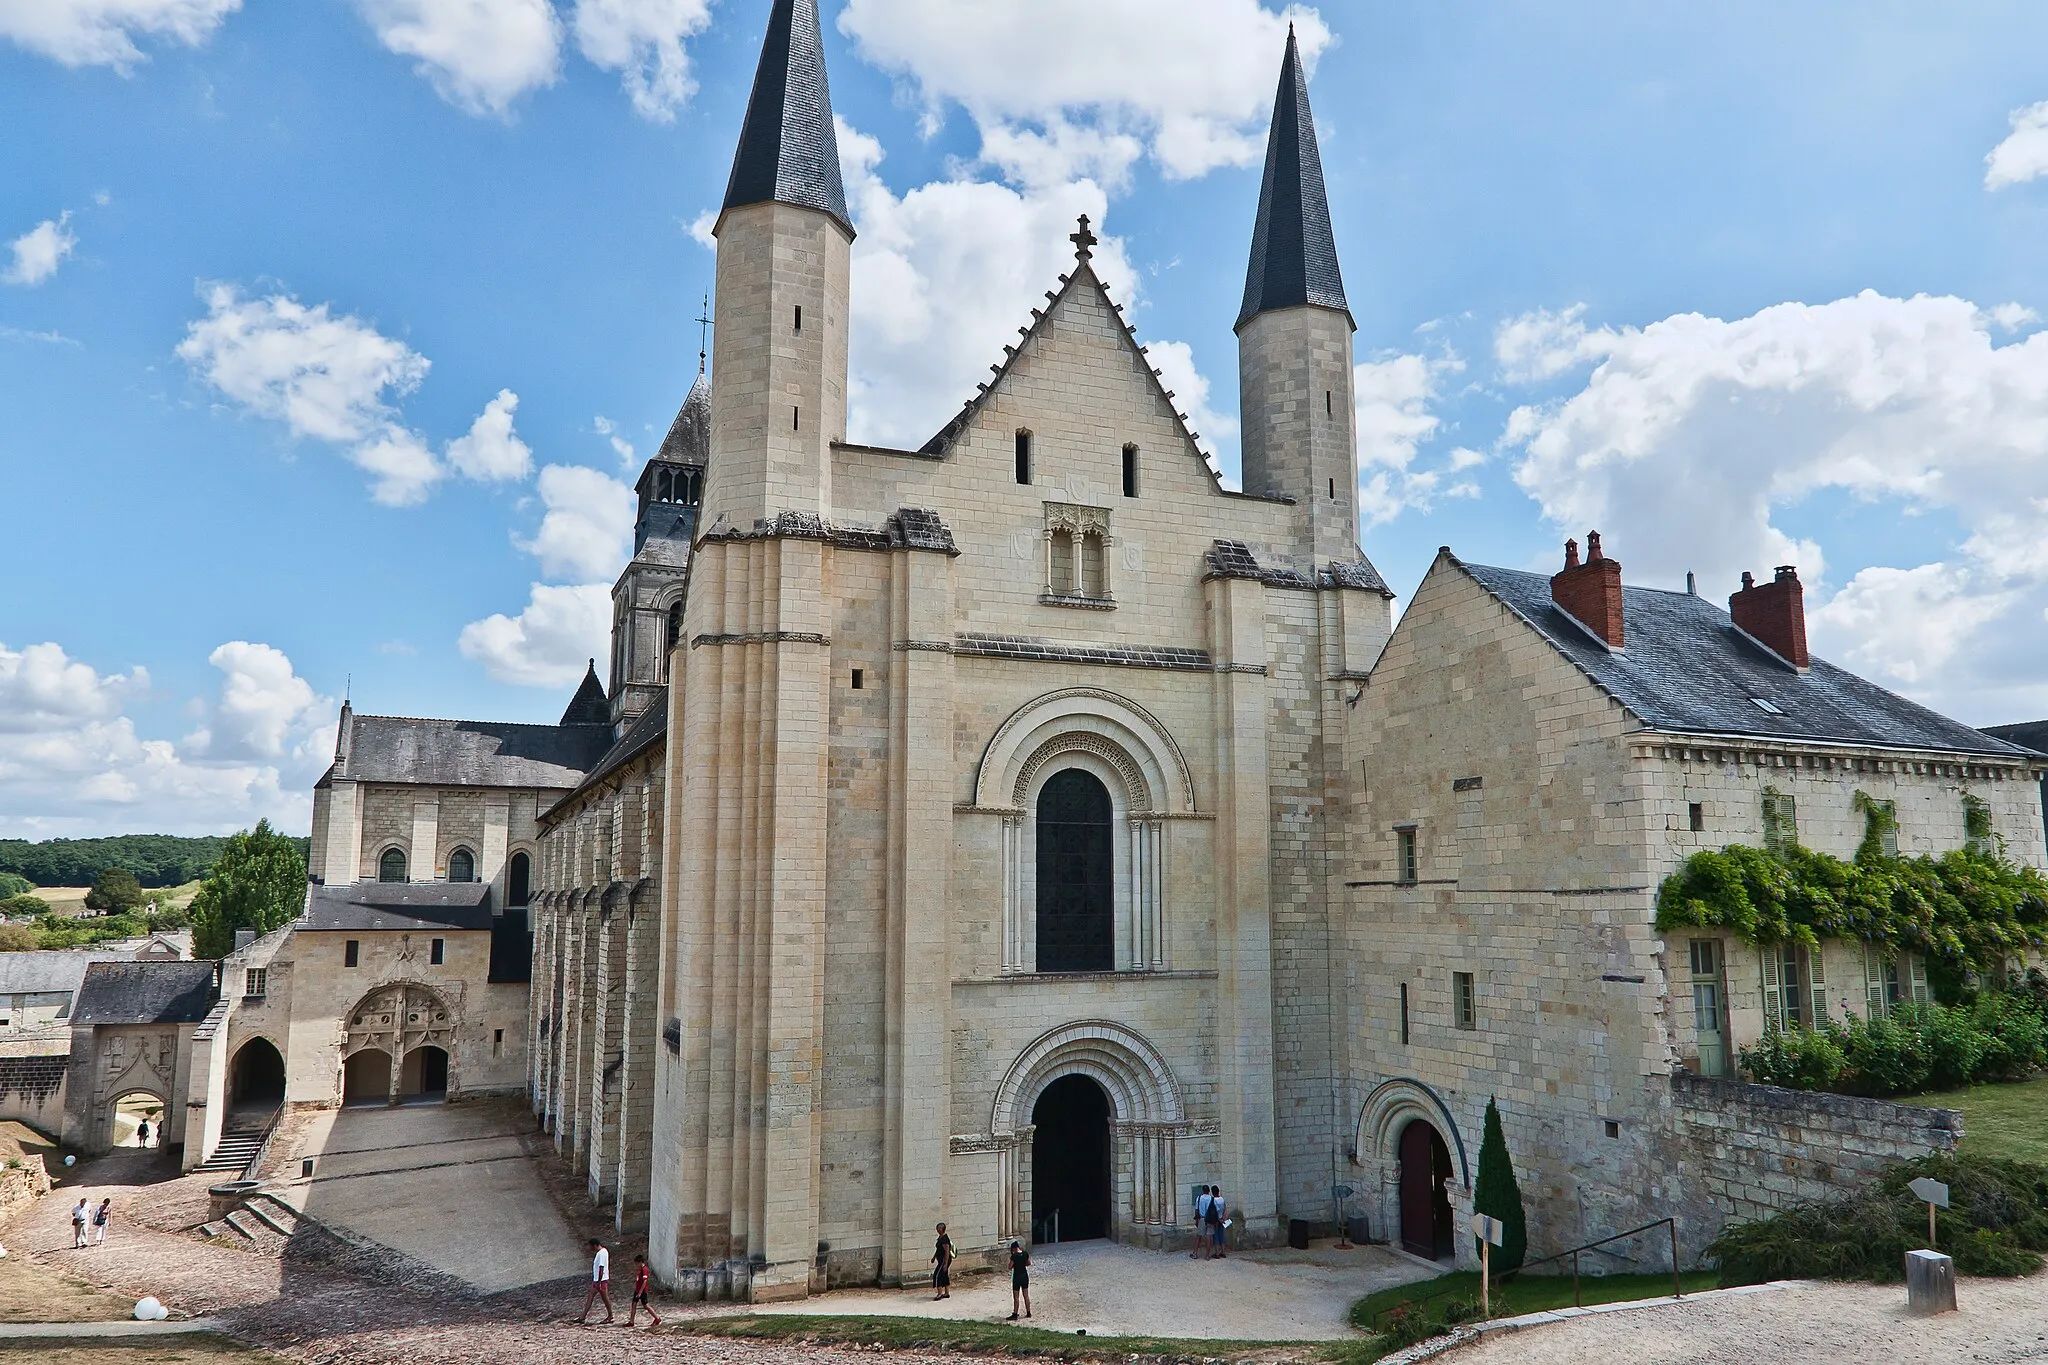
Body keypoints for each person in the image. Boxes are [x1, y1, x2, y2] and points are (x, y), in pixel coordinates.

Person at [578, 1238, 613, 1324]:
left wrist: (598, 1282)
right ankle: (583, 1316)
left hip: (600, 1280)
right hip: (599, 1279)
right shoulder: (604, 1251)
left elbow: (601, 1267)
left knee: (601, 1297)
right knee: (598, 1296)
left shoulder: (601, 1254)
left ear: (594, 1245)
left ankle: (610, 1315)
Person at [626, 1252, 661, 1327]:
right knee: (634, 1304)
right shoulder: (640, 1269)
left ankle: (657, 1318)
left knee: (646, 1305)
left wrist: (640, 1293)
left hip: (642, 1291)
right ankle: (631, 1321)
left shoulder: (644, 1269)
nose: (636, 1265)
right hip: (638, 1290)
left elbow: (645, 1281)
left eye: (636, 1264)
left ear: (640, 1262)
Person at [1006, 1239, 1031, 1320]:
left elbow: (1010, 1267)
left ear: (1013, 1248)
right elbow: (1028, 1263)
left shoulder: (1014, 1256)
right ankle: (1028, 1312)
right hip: (1024, 1275)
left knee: (1016, 1297)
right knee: (1026, 1295)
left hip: (1017, 1276)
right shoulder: (1025, 1253)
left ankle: (1015, 1313)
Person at [930, 1222, 953, 1300]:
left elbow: (947, 1251)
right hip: (941, 1260)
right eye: (937, 1228)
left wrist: (945, 1264)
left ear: (943, 1229)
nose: (938, 1229)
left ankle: (939, 1294)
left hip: (944, 1260)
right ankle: (946, 1293)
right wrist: (934, 1257)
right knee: (944, 1274)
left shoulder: (945, 1239)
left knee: (937, 1275)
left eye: (939, 1228)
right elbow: (938, 1249)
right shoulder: (940, 1238)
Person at [1191, 1186, 1214, 1259]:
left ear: (1203, 1191)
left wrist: (1196, 1220)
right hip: (1210, 1219)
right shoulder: (1211, 1198)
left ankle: (1195, 1253)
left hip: (1202, 1219)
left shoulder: (1199, 1198)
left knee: (1199, 1236)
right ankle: (1207, 1255)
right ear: (1209, 1191)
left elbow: (1196, 1210)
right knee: (1208, 1237)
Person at [1205, 1185, 1226, 1258]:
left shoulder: (1213, 1200)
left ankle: (1217, 1253)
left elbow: (1214, 1212)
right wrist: (1223, 1218)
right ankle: (1223, 1251)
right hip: (1222, 1219)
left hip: (1216, 1220)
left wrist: (1218, 1220)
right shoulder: (1222, 1199)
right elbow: (1225, 1209)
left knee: (1216, 1237)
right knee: (1222, 1236)